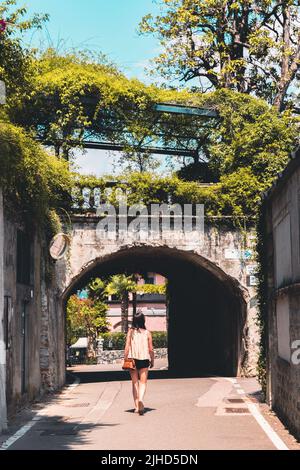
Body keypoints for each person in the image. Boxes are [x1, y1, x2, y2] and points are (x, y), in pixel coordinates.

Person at [124, 311, 154, 415]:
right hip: (144, 359)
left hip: (132, 359)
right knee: (143, 382)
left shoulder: (130, 332)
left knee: (134, 383)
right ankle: (141, 399)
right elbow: (151, 349)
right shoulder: (147, 333)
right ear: (143, 320)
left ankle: (136, 406)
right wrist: (152, 360)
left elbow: (127, 347)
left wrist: (125, 358)